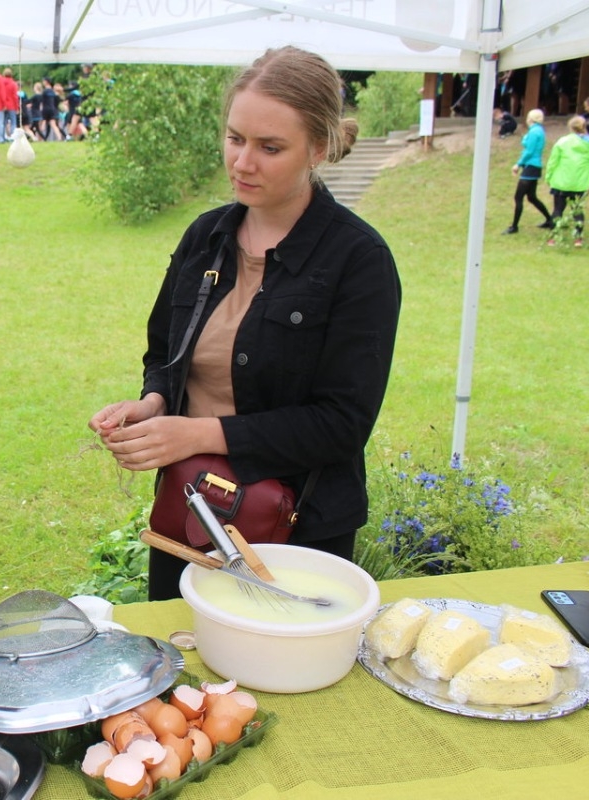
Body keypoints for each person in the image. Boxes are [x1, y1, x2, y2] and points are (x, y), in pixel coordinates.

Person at [88, 46, 401, 601]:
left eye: (270, 147)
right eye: (235, 139)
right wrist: (155, 404)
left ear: (319, 148)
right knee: (185, 663)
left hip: (298, 528)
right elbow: (165, 354)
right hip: (193, 508)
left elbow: (342, 424)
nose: (242, 162)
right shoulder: (205, 237)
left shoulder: (358, 260)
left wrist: (195, 433)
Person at [545, 115, 589, 247]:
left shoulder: (562, 141)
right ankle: (578, 239)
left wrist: (548, 176)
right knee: (577, 211)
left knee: (557, 210)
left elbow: (553, 161)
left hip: (561, 182)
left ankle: (552, 237)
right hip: (581, 183)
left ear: (570, 127)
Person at [504, 109, 554, 234]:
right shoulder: (538, 131)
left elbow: (529, 151)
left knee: (518, 197)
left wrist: (518, 164)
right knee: (532, 197)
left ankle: (514, 227)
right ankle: (549, 219)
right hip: (535, 166)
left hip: (531, 167)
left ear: (530, 119)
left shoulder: (534, 132)